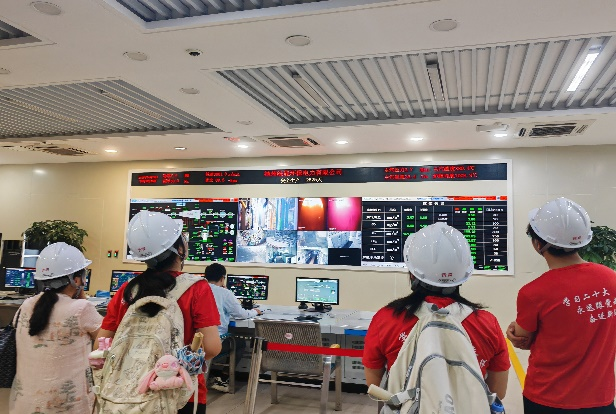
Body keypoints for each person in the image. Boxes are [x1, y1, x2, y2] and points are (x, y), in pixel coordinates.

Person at [363, 222, 510, 400]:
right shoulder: (487, 324)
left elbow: (374, 385)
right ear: (463, 275)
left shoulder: (387, 319)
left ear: (412, 273)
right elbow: (498, 392)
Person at [97, 211, 222, 414]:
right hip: (181, 394)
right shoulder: (197, 288)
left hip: (127, 396)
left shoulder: (127, 290)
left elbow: (100, 346)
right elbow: (212, 347)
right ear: (180, 249)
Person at [507, 197, 616, 414]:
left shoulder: (533, 293)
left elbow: (523, 340)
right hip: (599, 399)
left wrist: (514, 333)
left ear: (538, 244)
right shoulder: (611, 278)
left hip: (547, 398)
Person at [9, 242, 103, 413]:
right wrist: (82, 296)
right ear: (76, 280)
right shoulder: (81, 308)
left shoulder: (27, 304)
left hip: (24, 404)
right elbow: (105, 338)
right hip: (67, 406)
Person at [204, 262, 262, 392]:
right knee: (240, 343)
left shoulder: (198, 290)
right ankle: (224, 378)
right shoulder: (225, 293)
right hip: (215, 341)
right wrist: (254, 312)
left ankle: (213, 375)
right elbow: (241, 314)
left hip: (195, 341)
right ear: (222, 278)